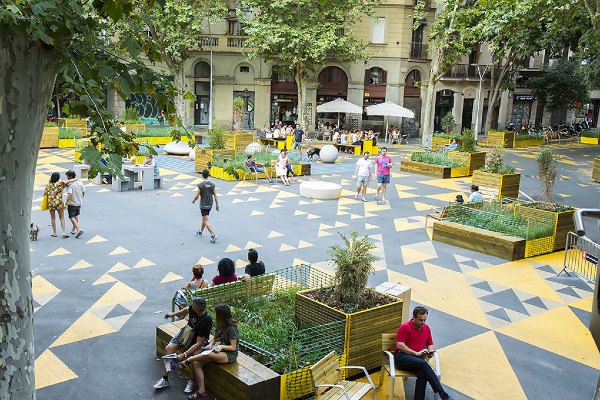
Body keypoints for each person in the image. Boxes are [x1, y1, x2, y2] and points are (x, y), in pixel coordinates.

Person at [154, 297, 212, 394]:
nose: (191, 307)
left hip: (198, 340)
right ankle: (165, 378)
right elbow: (186, 310)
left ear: (198, 309)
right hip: (186, 333)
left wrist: (184, 354)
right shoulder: (193, 309)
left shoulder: (206, 321)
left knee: (195, 355)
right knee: (168, 349)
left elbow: (199, 343)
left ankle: (192, 380)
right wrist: (174, 314)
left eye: (193, 306)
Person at [180, 304, 239, 399]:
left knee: (209, 355)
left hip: (229, 354)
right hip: (216, 349)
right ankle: (201, 390)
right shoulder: (220, 324)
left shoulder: (231, 328)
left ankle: (188, 359)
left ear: (221, 314)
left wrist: (221, 346)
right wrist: (211, 344)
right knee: (197, 363)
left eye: (217, 313)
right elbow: (215, 338)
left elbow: (233, 347)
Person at [394, 306, 454, 400]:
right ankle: (442, 393)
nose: (423, 323)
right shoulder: (404, 327)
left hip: (418, 360)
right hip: (402, 358)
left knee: (422, 374)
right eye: (420, 320)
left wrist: (431, 351)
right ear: (413, 317)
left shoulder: (426, 328)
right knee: (423, 363)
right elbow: (400, 345)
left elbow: (430, 343)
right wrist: (416, 353)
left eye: (424, 320)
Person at [192, 169, 219, 243]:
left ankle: (213, 235)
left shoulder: (201, 185)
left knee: (206, 220)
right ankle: (200, 232)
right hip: (210, 204)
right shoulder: (212, 184)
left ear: (202, 175)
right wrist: (217, 205)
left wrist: (193, 200)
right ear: (208, 174)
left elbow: (197, 196)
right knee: (204, 218)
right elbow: (215, 195)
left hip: (203, 205)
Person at [44, 172, 70, 238]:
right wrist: (76, 179)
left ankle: (54, 233)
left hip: (51, 204)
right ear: (58, 178)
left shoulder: (48, 185)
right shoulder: (60, 184)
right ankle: (63, 232)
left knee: (53, 218)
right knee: (62, 217)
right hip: (59, 203)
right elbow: (68, 182)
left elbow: (45, 194)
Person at [65, 170, 85, 238]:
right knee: (76, 215)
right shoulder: (80, 182)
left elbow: (69, 194)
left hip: (72, 203)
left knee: (71, 216)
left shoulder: (70, 185)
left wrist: (66, 203)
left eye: (67, 176)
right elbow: (83, 192)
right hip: (79, 202)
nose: (67, 177)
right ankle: (74, 229)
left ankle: (78, 229)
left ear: (70, 177)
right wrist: (81, 198)